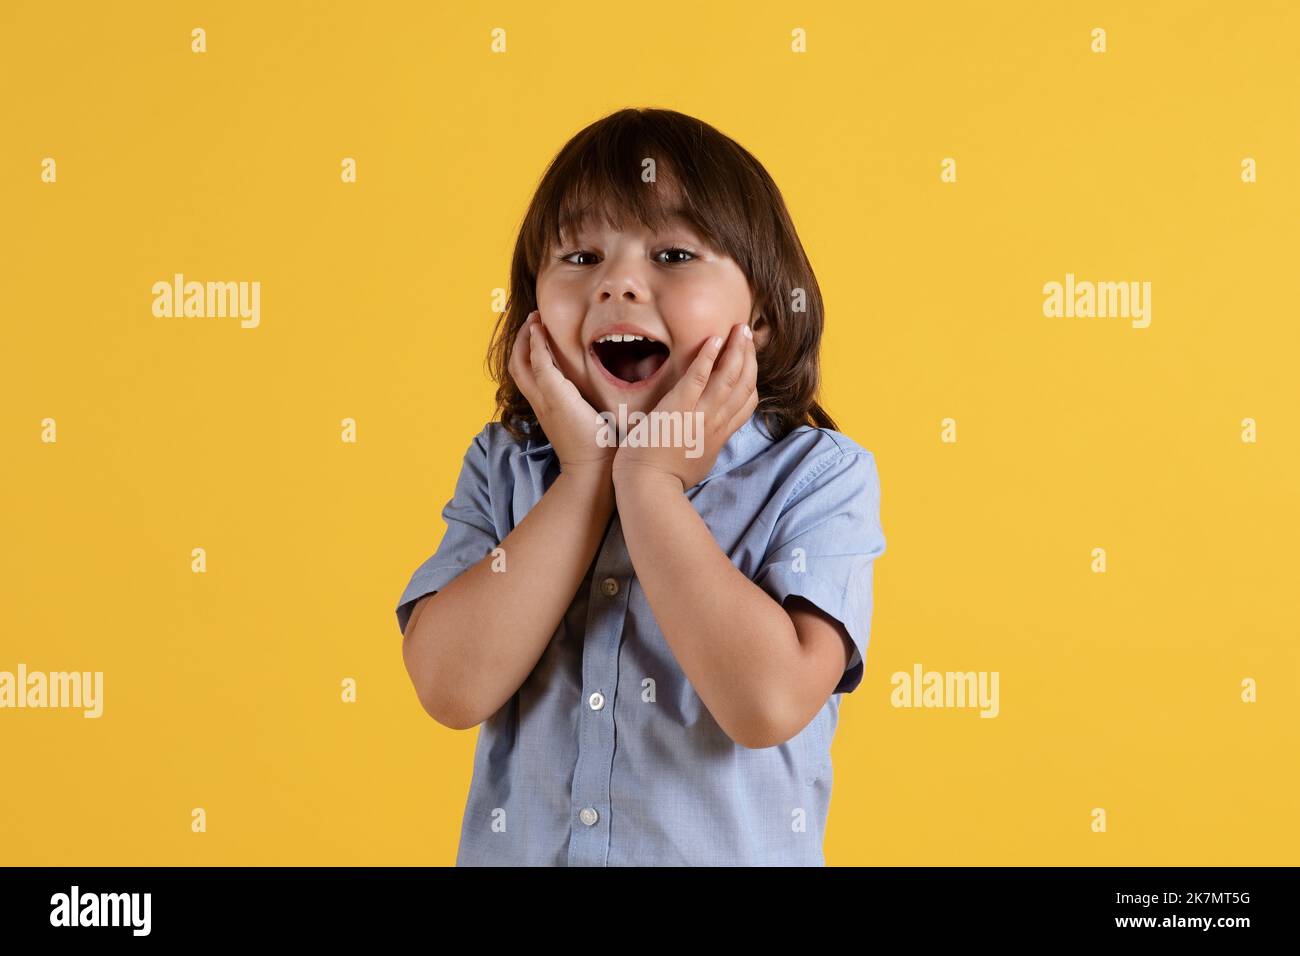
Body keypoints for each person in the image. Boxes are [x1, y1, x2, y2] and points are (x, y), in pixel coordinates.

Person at [396, 107, 886, 865]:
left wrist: (651, 484)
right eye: (581, 257)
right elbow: (450, 688)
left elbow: (768, 703)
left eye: (675, 254)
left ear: (759, 313)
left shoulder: (816, 476)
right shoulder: (505, 466)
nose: (619, 283)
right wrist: (590, 478)